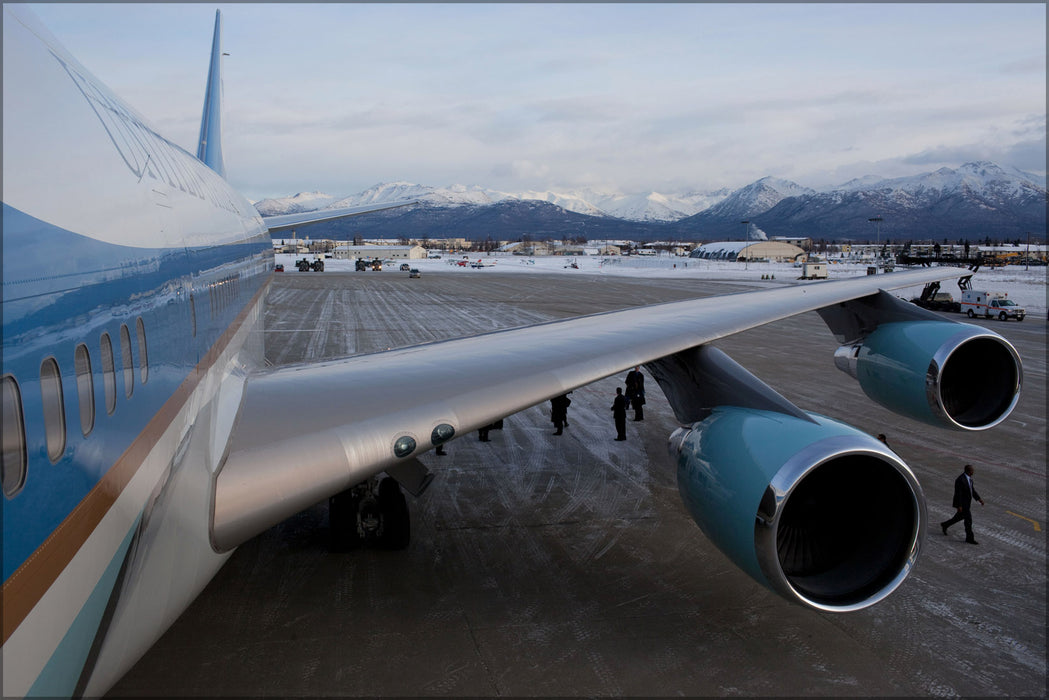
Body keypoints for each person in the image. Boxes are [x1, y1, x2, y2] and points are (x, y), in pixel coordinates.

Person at [941, 464, 984, 544]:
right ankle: (969, 538)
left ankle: (945, 525)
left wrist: (979, 499)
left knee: (958, 518)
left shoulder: (969, 479)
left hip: (967, 504)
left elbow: (972, 490)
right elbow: (958, 494)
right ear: (968, 471)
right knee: (968, 521)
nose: (973, 472)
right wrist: (959, 505)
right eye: (972, 470)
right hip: (963, 505)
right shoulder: (960, 480)